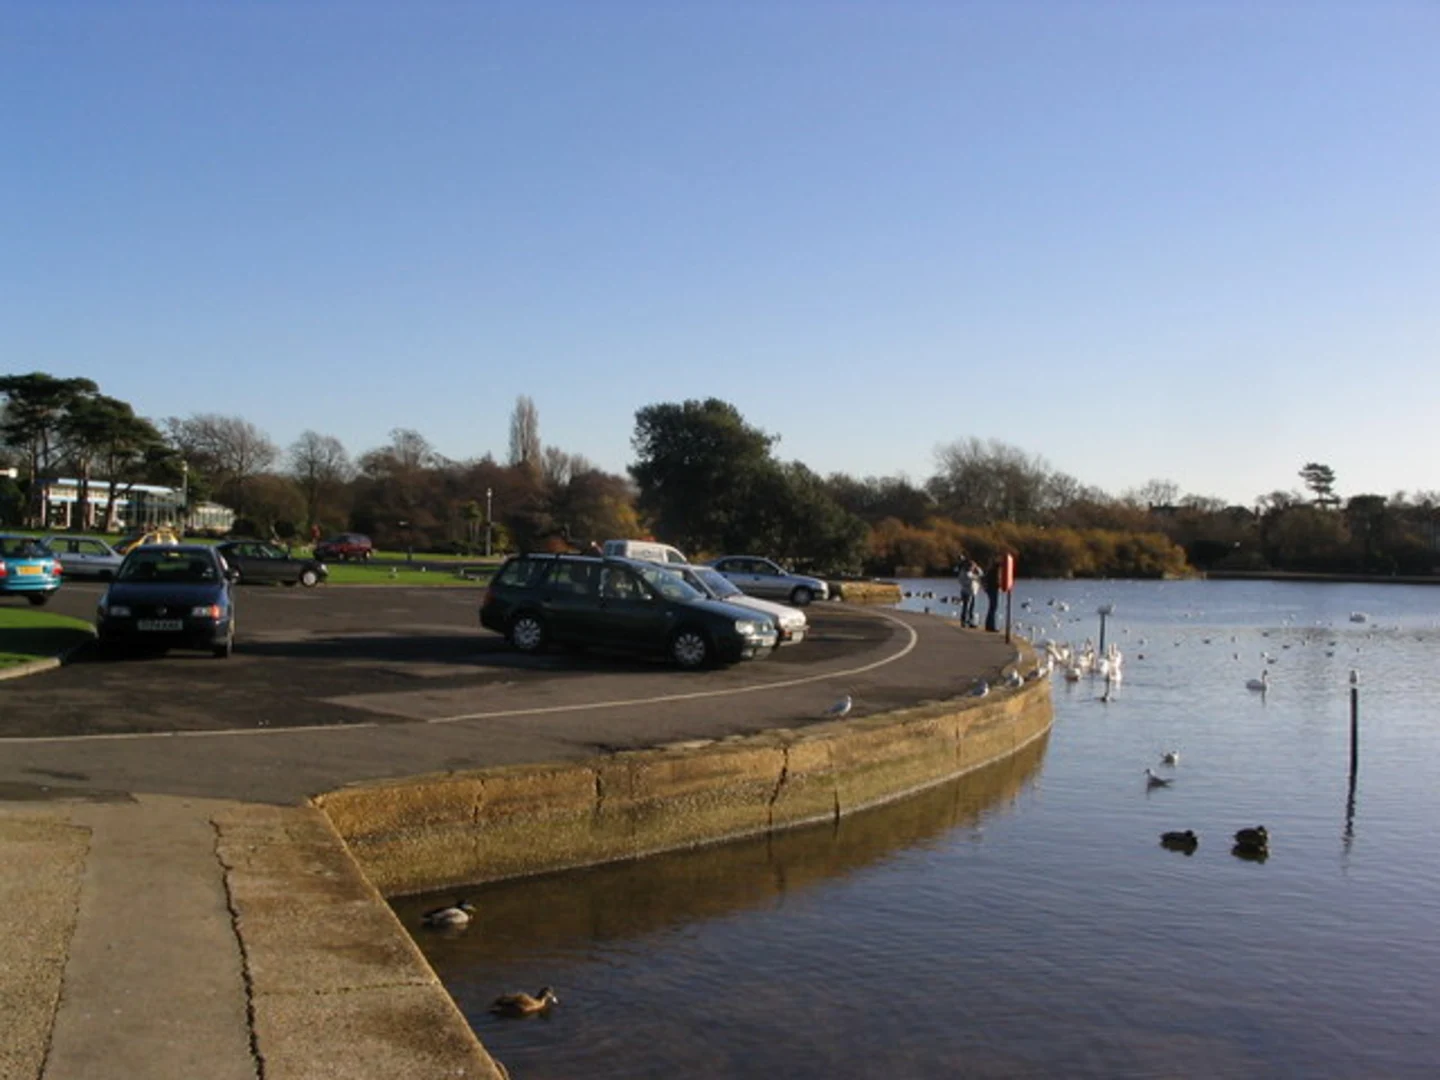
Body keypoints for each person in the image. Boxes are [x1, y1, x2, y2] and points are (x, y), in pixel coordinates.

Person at [956, 555, 981, 628]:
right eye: (972, 567)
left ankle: (970, 621)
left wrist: (977, 568)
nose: (973, 568)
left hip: (973, 592)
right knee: (966, 607)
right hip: (967, 592)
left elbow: (981, 574)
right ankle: (964, 621)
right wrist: (975, 578)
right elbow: (965, 580)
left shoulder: (971, 573)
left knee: (972, 608)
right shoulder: (965, 573)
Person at [984, 555, 1004, 632]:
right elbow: (997, 581)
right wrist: (1000, 586)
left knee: (991, 607)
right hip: (993, 589)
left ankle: (988, 625)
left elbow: (986, 579)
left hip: (990, 589)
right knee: (993, 607)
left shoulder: (991, 570)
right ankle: (991, 626)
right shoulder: (996, 571)